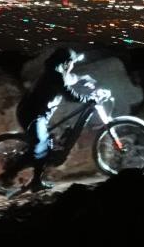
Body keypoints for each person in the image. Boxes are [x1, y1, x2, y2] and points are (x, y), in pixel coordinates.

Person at [15, 47, 100, 193]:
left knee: (47, 143)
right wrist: (88, 98)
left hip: (35, 112)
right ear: (67, 63)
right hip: (32, 114)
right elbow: (70, 95)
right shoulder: (55, 75)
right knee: (41, 145)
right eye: (72, 63)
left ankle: (37, 168)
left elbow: (70, 80)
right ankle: (18, 177)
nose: (73, 66)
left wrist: (83, 79)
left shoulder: (56, 72)